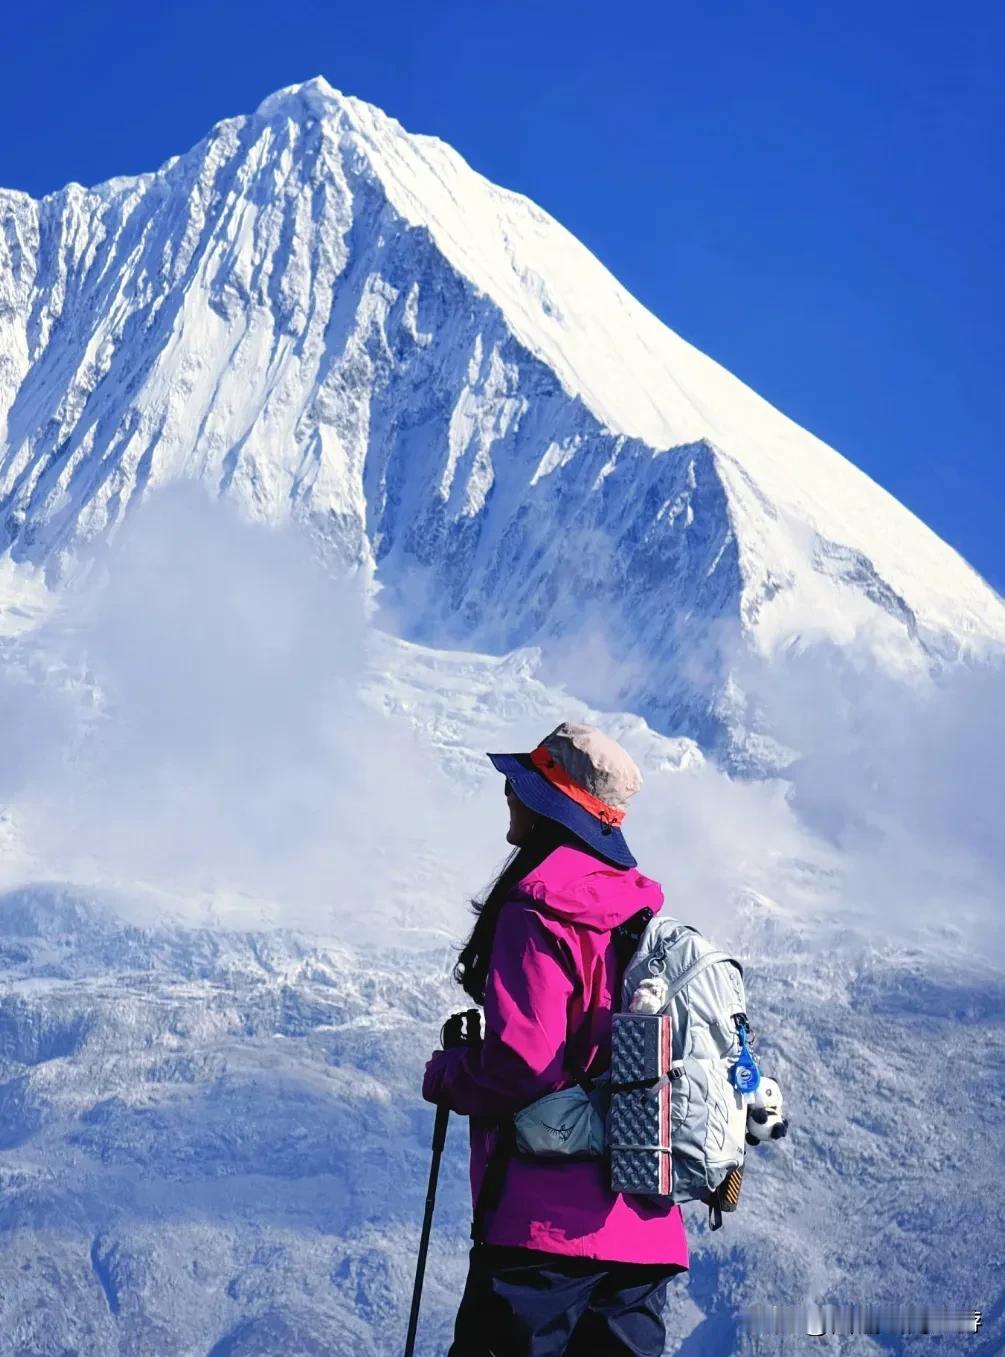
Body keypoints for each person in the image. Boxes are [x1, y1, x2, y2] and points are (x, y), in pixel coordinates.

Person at [423, 722, 688, 1357]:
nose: (508, 795)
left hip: (542, 1236)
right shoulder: (637, 910)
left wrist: (448, 1075)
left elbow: (523, 1061)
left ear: (551, 806)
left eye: (522, 786)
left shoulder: (537, 908)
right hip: (644, 1233)